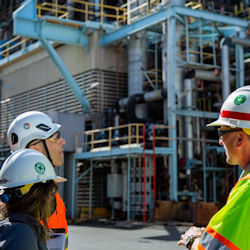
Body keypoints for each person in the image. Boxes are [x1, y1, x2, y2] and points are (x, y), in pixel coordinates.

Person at [177, 86, 250, 249]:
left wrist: (191, 239)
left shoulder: (247, 190)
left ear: (239, 138)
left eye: (222, 133)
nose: (220, 141)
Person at [7, 111, 68, 249]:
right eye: (54, 137)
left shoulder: (48, 191)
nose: (62, 141)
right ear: (35, 150)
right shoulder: (22, 198)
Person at [0, 149, 67, 250]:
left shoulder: (16, 229)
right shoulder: (21, 234)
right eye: (52, 191)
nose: (52, 198)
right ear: (37, 194)